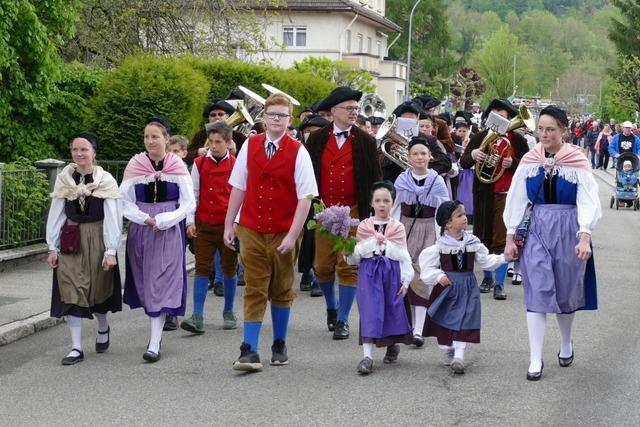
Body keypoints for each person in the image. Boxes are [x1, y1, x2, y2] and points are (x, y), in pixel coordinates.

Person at [503, 105, 601, 381]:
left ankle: (566, 341)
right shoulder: (529, 159)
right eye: (541, 129)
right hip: (537, 228)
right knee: (536, 292)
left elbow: (588, 200)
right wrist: (511, 236)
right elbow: (516, 199)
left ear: (563, 132)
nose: (544, 134)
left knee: (566, 292)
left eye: (550, 129)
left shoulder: (577, 160)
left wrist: (585, 235)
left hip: (569, 228)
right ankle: (535, 359)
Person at [224, 93, 318, 371]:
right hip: (251, 228)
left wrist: (292, 235)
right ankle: (249, 349)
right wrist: (230, 224)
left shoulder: (298, 151)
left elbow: (306, 197)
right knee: (254, 286)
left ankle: (279, 343)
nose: (276, 120)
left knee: (281, 287)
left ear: (290, 121)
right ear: (264, 117)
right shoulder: (250, 145)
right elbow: (238, 186)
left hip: (283, 229)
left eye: (282, 115)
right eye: (272, 114)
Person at [305, 86, 382, 340]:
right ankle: (331, 306)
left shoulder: (366, 141)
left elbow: (374, 179)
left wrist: (374, 214)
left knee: (348, 265)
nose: (354, 113)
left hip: (354, 210)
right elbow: (307, 178)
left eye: (355, 109)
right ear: (334, 111)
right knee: (323, 267)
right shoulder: (316, 140)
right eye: (349, 108)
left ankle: (343, 319)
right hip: (323, 211)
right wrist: (312, 207)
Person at [121, 116, 196, 363]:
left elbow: (188, 202)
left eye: (155, 136)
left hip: (167, 231)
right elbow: (122, 200)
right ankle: (157, 333)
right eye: (146, 136)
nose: (150, 141)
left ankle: (154, 342)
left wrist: (165, 219)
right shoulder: (136, 164)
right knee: (146, 284)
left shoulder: (177, 166)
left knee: (160, 283)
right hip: (142, 230)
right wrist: (143, 218)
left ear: (166, 138)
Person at [46, 132, 123, 365]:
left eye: (84, 149)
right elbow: (57, 213)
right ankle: (76, 347)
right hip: (70, 239)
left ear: (94, 152)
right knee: (71, 290)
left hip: (97, 237)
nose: (79, 154)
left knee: (97, 291)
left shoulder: (106, 180)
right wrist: (52, 246)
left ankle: (102, 326)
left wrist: (111, 250)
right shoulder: (64, 179)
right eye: (75, 149)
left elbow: (113, 217)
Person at [419, 200, 509, 374]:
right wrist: (439, 276)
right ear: (448, 223)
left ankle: (459, 356)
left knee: (466, 319)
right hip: (448, 288)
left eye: (464, 214)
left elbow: (486, 261)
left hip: (468, 288)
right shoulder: (441, 247)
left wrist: (504, 258)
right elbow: (427, 267)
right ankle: (451, 348)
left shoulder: (472, 242)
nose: (464, 218)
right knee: (448, 320)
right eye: (459, 215)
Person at [459, 98, 529, 300]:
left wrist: (512, 162)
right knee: (483, 237)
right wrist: (473, 154)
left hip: (507, 194)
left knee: (502, 239)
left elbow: (528, 166)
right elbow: (464, 163)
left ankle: (499, 283)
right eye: (497, 116)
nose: (501, 120)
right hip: (484, 194)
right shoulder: (480, 136)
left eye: (506, 117)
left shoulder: (517, 140)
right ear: (489, 117)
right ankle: (487, 277)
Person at [346, 181, 414, 375]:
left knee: (391, 309)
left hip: (391, 273)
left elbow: (404, 255)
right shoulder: (364, 227)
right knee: (369, 311)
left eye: (386, 200)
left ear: (393, 203)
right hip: (369, 273)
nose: (382, 204)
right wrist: (350, 249)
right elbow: (355, 257)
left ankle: (392, 343)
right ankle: (367, 356)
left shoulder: (398, 227)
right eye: (378, 200)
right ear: (371, 203)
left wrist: (406, 281)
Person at [181, 121, 239, 334]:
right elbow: (192, 194)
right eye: (211, 142)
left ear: (228, 143)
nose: (214, 146)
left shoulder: (236, 164)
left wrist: (236, 224)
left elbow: (240, 196)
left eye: (218, 142)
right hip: (204, 224)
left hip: (227, 226)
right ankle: (197, 315)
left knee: (229, 268)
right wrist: (190, 221)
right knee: (202, 268)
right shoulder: (199, 163)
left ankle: (229, 311)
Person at [393, 136, 449, 347]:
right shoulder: (401, 179)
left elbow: (444, 210)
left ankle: (418, 330)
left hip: (428, 228)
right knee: (405, 273)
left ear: (430, 156)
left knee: (423, 275)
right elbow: (395, 206)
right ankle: (406, 325)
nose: (419, 157)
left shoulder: (437, 181)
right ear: (408, 157)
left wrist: (443, 236)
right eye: (415, 154)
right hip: (406, 228)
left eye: (423, 153)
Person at [297, 114, 331, 296]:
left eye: (315, 132)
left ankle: (318, 276)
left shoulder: (329, 149)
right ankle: (307, 272)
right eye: (308, 132)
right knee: (309, 236)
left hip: (327, 197)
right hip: (308, 197)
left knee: (321, 236)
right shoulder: (300, 150)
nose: (311, 136)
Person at [164, 134, 192, 332]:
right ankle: (162, 306)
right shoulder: (162, 169)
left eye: (176, 151)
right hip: (162, 222)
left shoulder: (185, 172)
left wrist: (190, 222)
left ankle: (172, 311)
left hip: (179, 223)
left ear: (184, 153)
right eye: (169, 151)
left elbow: (189, 200)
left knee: (175, 267)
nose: (172, 155)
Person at [185, 99, 242, 164]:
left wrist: (235, 152)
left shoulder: (238, 136)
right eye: (213, 115)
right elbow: (186, 155)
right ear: (209, 118)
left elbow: (247, 159)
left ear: (227, 116)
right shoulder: (200, 134)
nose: (217, 117)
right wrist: (197, 152)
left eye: (220, 114)